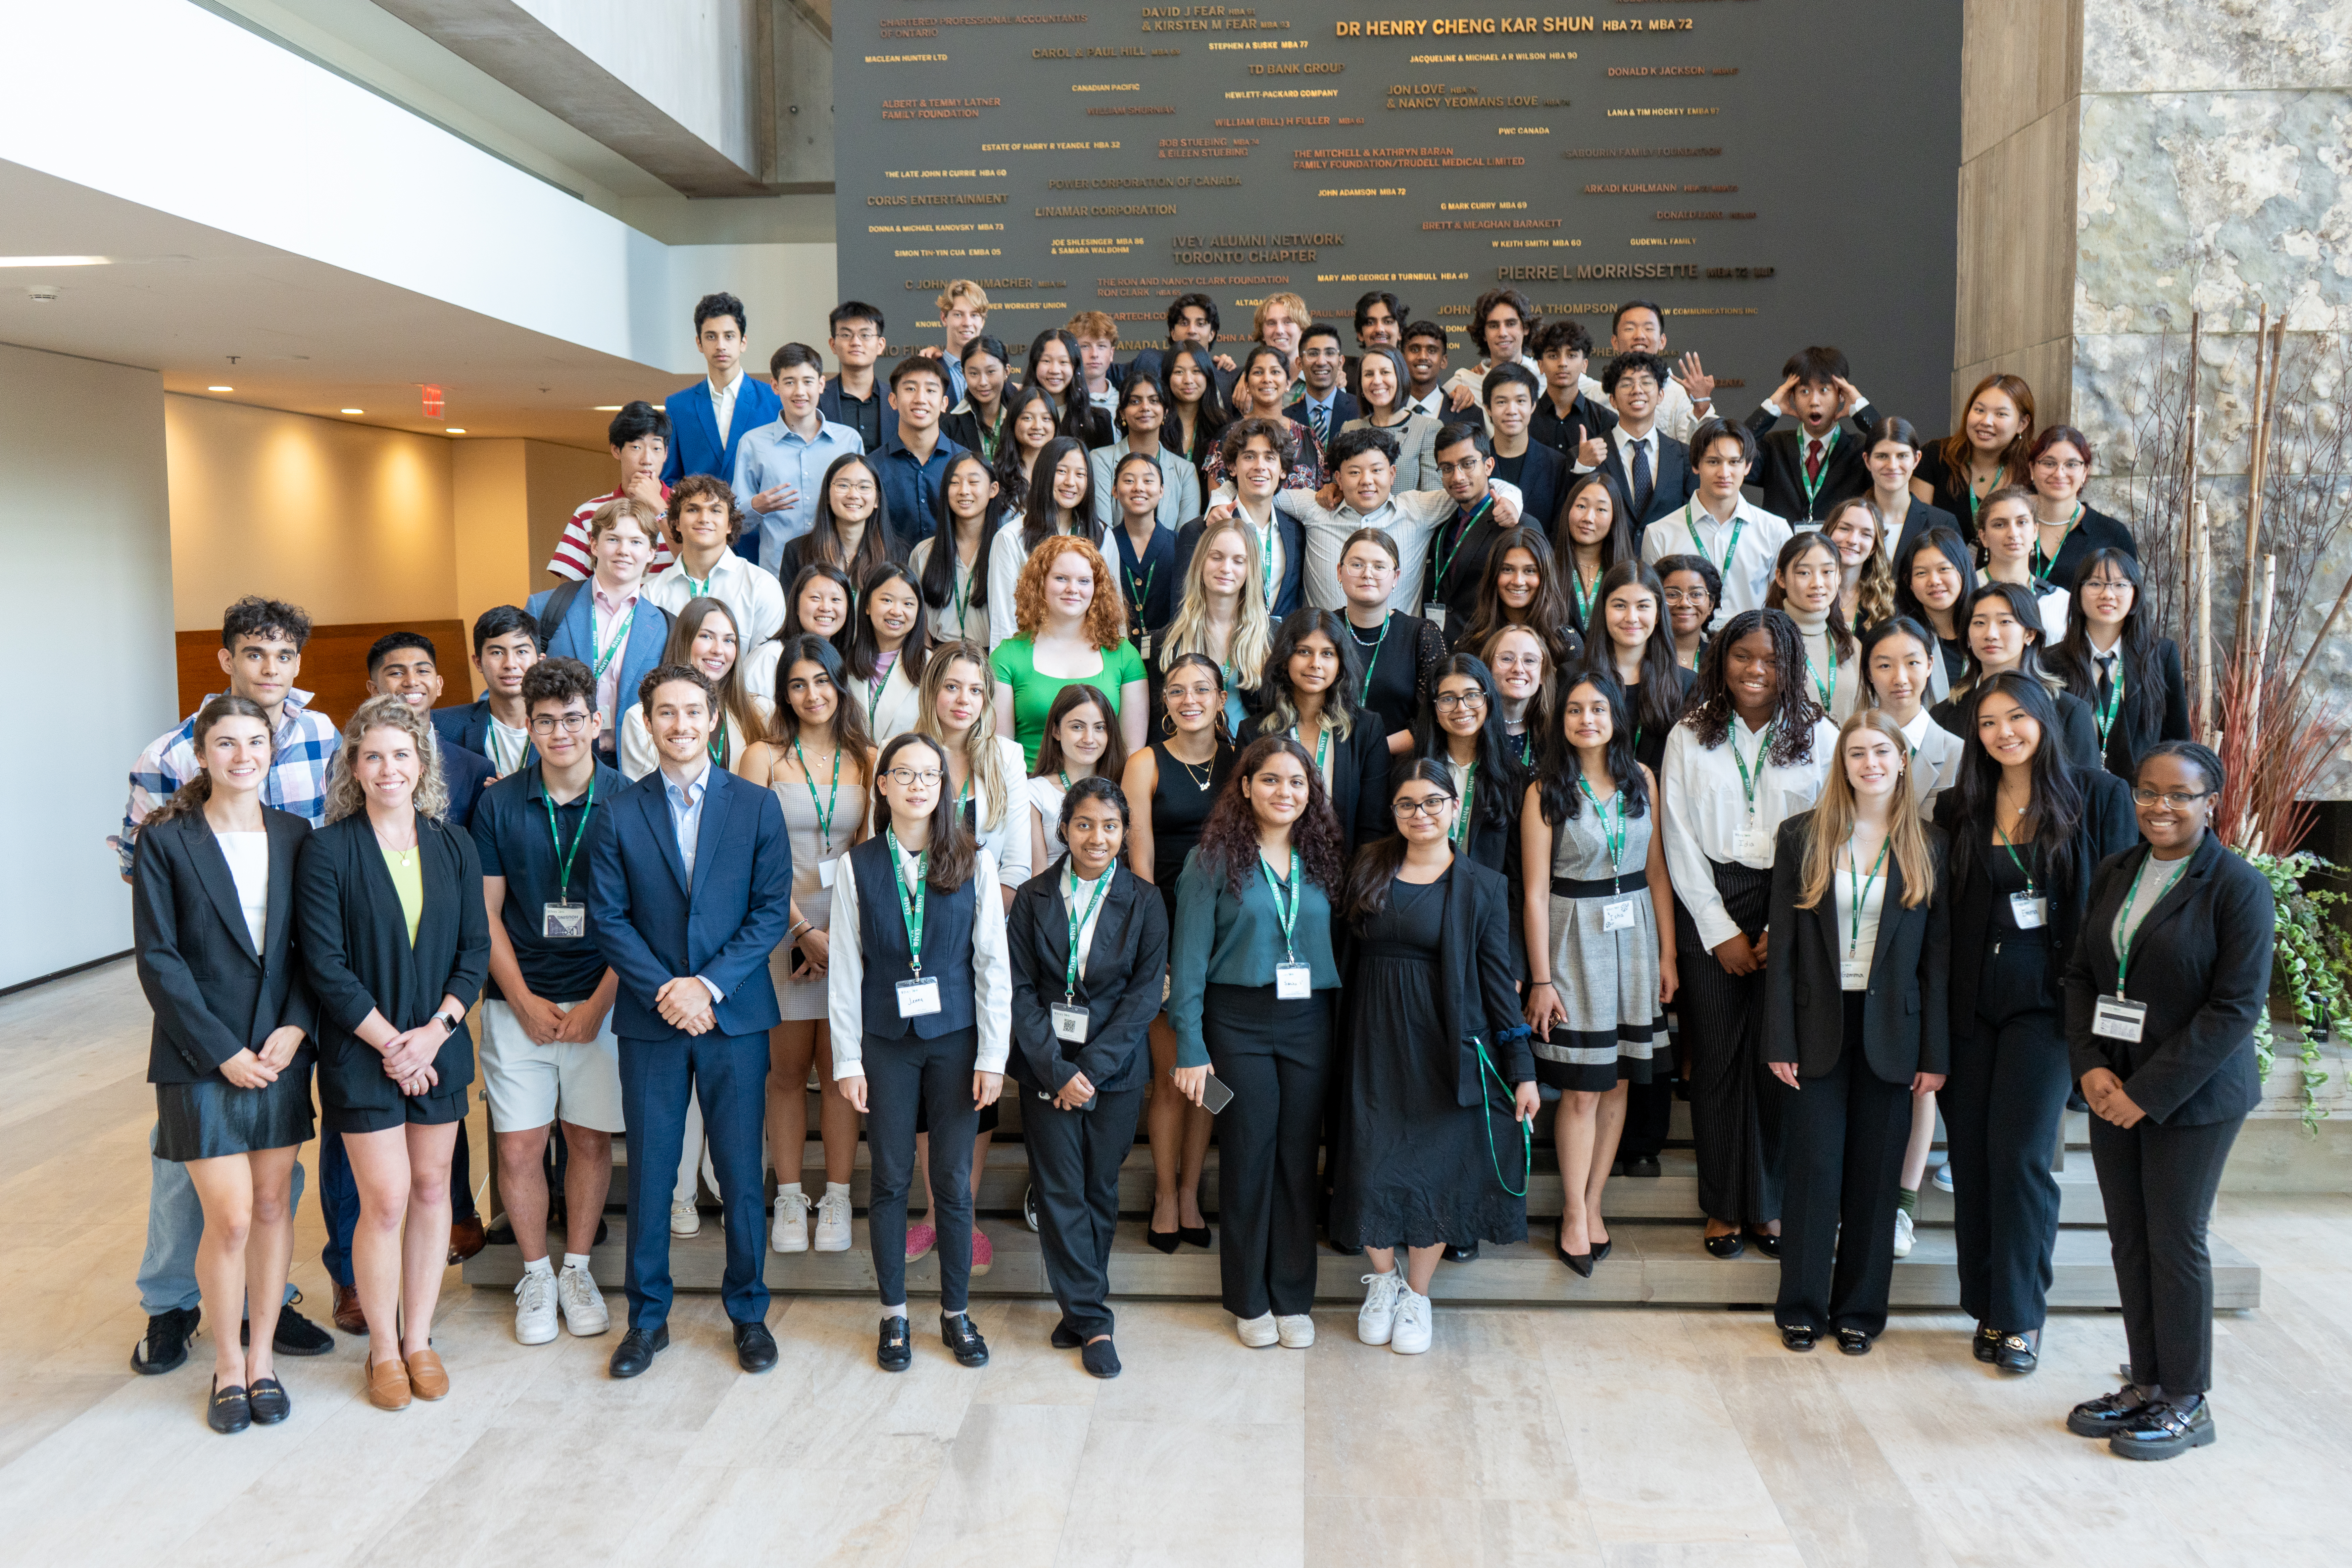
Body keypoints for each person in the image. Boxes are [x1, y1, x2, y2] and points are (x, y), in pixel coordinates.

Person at [121, 596, 342, 1362]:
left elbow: (328, 877)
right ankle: (171, 1302)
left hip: (284, 1003)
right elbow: (151, 896)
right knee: (187, 1167)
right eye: (255, 654)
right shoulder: (163, 758)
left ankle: (268, 1303)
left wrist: (294, 1017)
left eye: (284, 656)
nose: (270, 669)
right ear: (226, 659)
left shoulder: (320, 735)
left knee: (274, 1188)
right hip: (204, 1005)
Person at [2063, 741, 2273, 1459]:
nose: (2161, 805)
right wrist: (2091, 1067)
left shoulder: (2236, 885)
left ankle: (2187, 1399)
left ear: (2210, 801)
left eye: (2179, 795)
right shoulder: (2116, 870)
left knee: (2175, 1240)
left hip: (2193, 1096)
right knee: (2130, 1236)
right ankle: (2146, 1380)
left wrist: (2147, 1095)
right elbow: (2083, 974)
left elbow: (2234, 1008)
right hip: (2111, 1084)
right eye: (2149, 792)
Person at [589, 663, 795, 1381]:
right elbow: (608, 918)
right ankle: (646, 1320)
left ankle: (749, 1311)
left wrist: (706, 986)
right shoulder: (617, 809)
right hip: (652, 1021)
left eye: (692, 711)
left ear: (715, 719)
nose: (679, 725)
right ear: (647, 724)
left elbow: (771, 910)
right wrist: (665, 989)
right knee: (650, 1173)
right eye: (664, 713)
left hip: (733, 1017)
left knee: (741, 1172)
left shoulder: (756, 806)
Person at [1933, 672, 2137, 1373]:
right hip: (1971, 1002)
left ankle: (2020, 1317)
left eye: (2016, 717)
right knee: (1973, 1157)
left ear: (2045, 718)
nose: (2003, 733)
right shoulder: (1959, 806)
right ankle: (1986, 1302)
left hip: (2049, 1004)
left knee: (2020, 1156)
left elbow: (2115, 914)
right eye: (1988, 722)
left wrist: (2109, 1029)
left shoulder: (2098, 795)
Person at [294, 695, 490, 1410]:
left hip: (438, 1047)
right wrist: (391, 1044)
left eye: (401, 754)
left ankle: (420, 1338)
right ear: (354, 765)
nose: (388, 768)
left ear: (422, 764)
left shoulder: (454, 845)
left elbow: (474, 950)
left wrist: (435, 1030)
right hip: (361, 1054)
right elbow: (325, 963)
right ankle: (382, 1348)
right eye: (373, 755)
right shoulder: (327, 849)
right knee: (384, 1200)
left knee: (435, 1189)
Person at [133, 696, 318, 1433]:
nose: (243, 755)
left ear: (272, 750)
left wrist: (298, 1026)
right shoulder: (167, 838)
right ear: (201, 753)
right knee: (233, 1215)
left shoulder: (299, 834)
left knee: (275, 1206)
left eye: (255, 741)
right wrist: (222, 1051)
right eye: (226, 742)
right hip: (197, 1055)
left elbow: (316, 948)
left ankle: (263, 1356)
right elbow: (159, 959)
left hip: (278, 1050)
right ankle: (226, 1366)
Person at [1337, 762, 1540, 1352]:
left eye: (1431, 802)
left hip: (1442, 1047)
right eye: (1406, 804)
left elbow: (1500, 983)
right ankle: (1383, 1280)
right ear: (1393, 813)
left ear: (1455, 807)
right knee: (1368, 1161)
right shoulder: (1368, 864)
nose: (1419, 813)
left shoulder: (1479, 884)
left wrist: (1521, 1068)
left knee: (1433, 1173)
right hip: (1370, 1040)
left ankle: (1418, 1296)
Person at [1765, 709, 1950, 1353]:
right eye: (1856, 754)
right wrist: (1778, 1038)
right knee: (1813, 1170)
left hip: (1892, 1033)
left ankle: (1859, 1312)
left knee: (1874, 1177)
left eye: (1881, 752)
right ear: (1840, 765)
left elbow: (1936, 963)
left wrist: (1934, 1052)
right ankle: (1800, 1306)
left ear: (1902, 761)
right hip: (1817, 1023)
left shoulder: (1927, 845)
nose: (1869, 763)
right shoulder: (1801, 837)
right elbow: (1783, 951)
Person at [829, 732, 1013, 1371]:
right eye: (902, 773)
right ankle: (894, 1315)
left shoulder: (974, 859)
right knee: (888, 1178)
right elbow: (845, 969)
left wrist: (994, 1055)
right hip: (884, 1043)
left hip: (957, 1043)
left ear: (944, 786)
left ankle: (956, 1313)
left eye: (928, 774)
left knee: (953, 1184)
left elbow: (992, 962)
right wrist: (847, 1060)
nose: (915, 784)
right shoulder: (858, 867)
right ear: (882, 786)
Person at [1660, 608, 1839, 1256]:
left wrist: (1779, 926)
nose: (1755, 669)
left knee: (1776, 1065)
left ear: (1791, 664)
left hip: (1791, 902)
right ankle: (1722, 1205)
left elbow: (1828, 834)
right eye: (1742, 656)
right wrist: (1718, 930)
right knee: (1714, 1061)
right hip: (1708, 898)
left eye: (1770, 658)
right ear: (1720, 659)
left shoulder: (1819, 735)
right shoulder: (1688, 735)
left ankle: (1767, 1205)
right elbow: (1676, 837)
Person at [1168, 736, 1346, 1348]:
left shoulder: (1323, 859)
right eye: (1270, 780)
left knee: (1298, 1156)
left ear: (1310, 792)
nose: (1284, 793)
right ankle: (1248, 1298)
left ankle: (1292, 1295)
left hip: (1309, 1021)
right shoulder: (1209, 862)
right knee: (1247, 1150)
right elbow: (1187, 963)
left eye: (1296, 783)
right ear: (1244, 786)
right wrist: (1190, 1046)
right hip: (1233, 1023)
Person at [470, 658, 624, 1346]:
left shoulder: (628, 799)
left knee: (590, 1138)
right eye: (545, 720)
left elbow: (645, 918)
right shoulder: (499, 804)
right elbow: (487, 915)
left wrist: (597, 1001)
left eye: (572, 718)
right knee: (523, 1141)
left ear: (597, 721)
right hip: (518, 999)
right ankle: (535, 1272)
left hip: (605, 997)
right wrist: (523, 998)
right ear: (527, 727)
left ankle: (577, 1267)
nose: (560, 731)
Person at [1007, 776, 1169, 1377]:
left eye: (1109, 825)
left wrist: (1090, 1072)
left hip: (1116, 1072)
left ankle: (1077, 1304)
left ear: (1124, 833)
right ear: (1064, 830)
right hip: (1045, 1066)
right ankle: (1094, 1320)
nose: (1096, 836)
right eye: (1083, 824)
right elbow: (1020, 990)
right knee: (1058, 1191)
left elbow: (1143, 996)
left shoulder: (1145, 901)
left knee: (1099, 1189)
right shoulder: (1031, 898)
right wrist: (1056, 1070)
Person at [1523, 672, 1676, 1271]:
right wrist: (1541, 978)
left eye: (1597, 708)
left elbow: (1657, 870)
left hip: (1634, 932)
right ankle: (1569, 1211)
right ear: (1559, 720)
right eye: (1573, 710)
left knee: (1617, 1083)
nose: (1586, 719)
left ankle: (1593, 1202)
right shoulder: (1543, 788)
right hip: (1572, 934)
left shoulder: (1642, 778)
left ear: (1616, 715)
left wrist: (1666, 954)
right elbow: (1534, 893)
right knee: (1584, 1087)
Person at [736, 634, 876, 1257]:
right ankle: (790, 1195)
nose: (811, 694)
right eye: (798, 683)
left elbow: (874, 856)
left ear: (840, 685)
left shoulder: (869, 758)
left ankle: (838, 1195)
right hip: (779, 927)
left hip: (851, 932)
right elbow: (751, 858)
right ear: (784, 693)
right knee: (786, 1072)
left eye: (822, 680)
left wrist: (838, 936)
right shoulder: (762, 757)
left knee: (841, 1068)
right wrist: (800, 931)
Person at [1122, 654, 1237, 1251]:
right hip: (1166, 928)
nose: (1187, 698)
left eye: (1201, 689)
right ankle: (1165, 1195)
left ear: (1222, 698)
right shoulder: (1144, 763)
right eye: (1175, 690)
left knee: (1208, 1074)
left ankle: (1193, 1191)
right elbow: (1138, 864)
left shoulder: (1243, 762)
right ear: (1163, 701)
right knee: (1172, 1077)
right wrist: (1157, 950)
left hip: (1231, 934)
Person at [1250, 426, 1524, 620]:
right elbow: (1257, 489)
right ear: (1338, 478)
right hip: (1326, 646)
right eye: (1354, 472)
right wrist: (1218, 506)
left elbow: (1474, 486)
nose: (1367, 481)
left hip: (1397, 648)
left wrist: (1511, 500)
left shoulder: (1418, 509)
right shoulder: (1315, 506)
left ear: (1393, 474)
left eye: (1377, 471)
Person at [526, 497, 674, 761]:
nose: (624, 551)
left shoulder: (665, 626)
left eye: (636, 542)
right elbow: (511, 687)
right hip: (557, 757)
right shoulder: (545, 608)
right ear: (594, 545)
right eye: (613, 539)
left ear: (652, 552)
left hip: (631, 765)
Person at [990, 537, 1150, 768]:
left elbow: (1132, 753)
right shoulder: (1007, 656)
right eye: (1061, 578)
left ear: (1097, 589)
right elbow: (1000, 753)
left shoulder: (1124, 655)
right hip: (1028, 794)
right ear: (1040, 583)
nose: (1072, 589)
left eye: (1084, 581)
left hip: (1101, 794)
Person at [1244, 608, 1395, 853]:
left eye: (1328, 654)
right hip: (1273, 873)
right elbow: (1246, 820)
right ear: (1285, 660)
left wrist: (1356, 886)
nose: (1315, 664)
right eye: (1304, 652)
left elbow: (1374, 827)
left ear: (1340, 664)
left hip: (1346, 874)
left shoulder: (1367, 730)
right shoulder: (1253, 732)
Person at [2049, 549, 2189, 781]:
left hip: (2142, 800)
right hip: (2073, 797)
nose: (2108, 594)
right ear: (2079, 593)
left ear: (2135, 593)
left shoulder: (2162, 655)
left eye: (2120, 585)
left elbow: (2178, 739)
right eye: (2096, 584)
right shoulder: (2051, 662)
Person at [1639, 418, 1792, 631]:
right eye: (1713, 462)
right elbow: (1654, 608)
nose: (1724, 473)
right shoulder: (1660, 533)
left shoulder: (1775, 530)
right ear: (1696, 465)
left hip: (1754, 653)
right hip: (1684, 653)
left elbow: (1784, 603)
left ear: (1747, 466)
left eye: (1734, 462)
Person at [1930, 583, 2102, 769]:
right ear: (1968, 638)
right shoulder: (1943, 716)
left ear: (2030, 633)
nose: (1991, 634)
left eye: (2005, 622)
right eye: (1979, 623)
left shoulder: (2069, 711)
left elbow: (2086, 790)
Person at [731, 343, 867, 576]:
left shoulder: (849, 441)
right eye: (790, 382)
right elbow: (734, 524)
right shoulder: (752, 443)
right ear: (775, 386)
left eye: (808, 381)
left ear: (821, 385)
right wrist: (757, 507)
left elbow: (866, 505)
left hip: (839, 574)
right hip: (777, 576)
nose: (800, 392)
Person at [618, 597, 768, 780]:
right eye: (706, 637)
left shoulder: (763, 711)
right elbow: (645, 800)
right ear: (684, 640)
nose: (719, 650)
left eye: (729, 640)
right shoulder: (639, 720)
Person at [1178, 417, 1311, 620]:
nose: (1260, 466)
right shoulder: (1200, 530)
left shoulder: (1297, 533)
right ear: (1232, 467)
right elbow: (1181, 611)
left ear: (1283, 470)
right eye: (1250, 457)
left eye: (1270, 458)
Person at [361, 632, 496, 829]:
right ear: (374, 690)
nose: (412, 681)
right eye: (397, 673)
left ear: (439, 685)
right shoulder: (349, 763)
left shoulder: (476, 769)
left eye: (423, 671)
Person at [648, 476, 786, 657]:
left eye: (716, 510)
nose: (704, 519)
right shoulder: (652, 594)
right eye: (693, 509)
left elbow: (765, 667)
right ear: (676, 523)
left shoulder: (763, 587)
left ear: (730, 525)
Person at [1159, 516, 1274, 734]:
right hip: (1190, 760)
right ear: (1201, 562)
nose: (1226, 568)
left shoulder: (1272, 639)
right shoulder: (1168, 641)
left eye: (1239, 561)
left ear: (1251, 570)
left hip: (1251, 762)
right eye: (1217, 557)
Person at [1581, 558, 1695, 776]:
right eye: (1620, 605)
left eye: (1643, 606)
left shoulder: (1687, 684)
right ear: (1603, 610)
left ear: (1659, 614)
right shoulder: (1574, 677)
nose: (1631, 618)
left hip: (1659, 804)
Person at [1415, 653, 1525, 877]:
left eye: (1472, 695)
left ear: (1489, 700)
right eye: (1447, 699)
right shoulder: (1412, 772)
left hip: (1486, 907)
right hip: (1424, 900)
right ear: (1434, 709)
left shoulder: (1514, 777)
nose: (1462, 708)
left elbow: (1516, 871)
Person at [1742, 348, 1879, 525]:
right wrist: (1770, 409)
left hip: (1840, 551)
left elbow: (1893, 450)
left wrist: (1861, 408)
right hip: (1782, 551)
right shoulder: (1773, 446)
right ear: (1792, 396)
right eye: (1805, 392)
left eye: (1824, 390)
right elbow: (1732, 454)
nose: (1814, 401)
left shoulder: (1861, 451)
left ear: (1841, 395)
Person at [987, 435, 1102, 646]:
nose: (1070, 482)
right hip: (1031, 656)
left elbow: (1108, 608)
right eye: (1061, 471)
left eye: (1080, 474)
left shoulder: (1101, 534)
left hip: (1087, 654)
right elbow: (1004, 620)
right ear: (1044, 474)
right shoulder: (1011, 538)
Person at [659, 292, 781, 490]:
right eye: (711, 337)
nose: (721, 346)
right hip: (701, 518)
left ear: (743, 343)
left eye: (729, 336)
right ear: (699, 343)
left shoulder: (774, 400)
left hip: (762, 518)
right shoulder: (678, 406)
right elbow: (671, 479)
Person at [1337, 526, 1447, 743]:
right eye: (1357, 565)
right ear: (1340, 572)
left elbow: (1432, 719)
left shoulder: (1422, 635)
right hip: (1327, 761)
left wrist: (1373, 751)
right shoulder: (1321, 630)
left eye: (1379, 567)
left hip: (1399, 767)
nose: (1367, 574)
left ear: (1396, 577)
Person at [547, 403, 677, 581]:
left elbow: (700, 567)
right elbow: (570, 592)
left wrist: (657, 505)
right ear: (617, 450)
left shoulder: (690, 509)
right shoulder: (588, 514)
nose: (647, 460)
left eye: (656, 449)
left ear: (666, 454)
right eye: (636, 448)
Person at [1577, 350, 1698, 529]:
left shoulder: (1684, 457)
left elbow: (1691, 522)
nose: (1637, 391)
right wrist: (1583, 467)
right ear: (1613, 400)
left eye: (1647, 383)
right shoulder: (1588, 456)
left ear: (1660, 396)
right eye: (1626, 385)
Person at [1421, 423, 1518, 643]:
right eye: (1447, 468)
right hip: (1440, 649)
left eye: (1467, 464)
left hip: (1491, 650)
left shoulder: (1513, 524)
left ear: (1489, 465)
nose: (1457, 477)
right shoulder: (1438, 523)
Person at [1568, 299, 1715, 443]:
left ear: (1662, 341)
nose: (1639, 336)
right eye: (1630, 329)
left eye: (1649, 329)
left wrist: (1702, 404)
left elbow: (1695, 452)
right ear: (1615, 342)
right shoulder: (1596, 394)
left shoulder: (1678, 394)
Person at [1860, 617, 1966, 813]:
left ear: (1929, 665)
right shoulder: (1850, 746)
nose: (1900, 679)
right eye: (1885, 666)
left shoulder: (1957, 753)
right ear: (1868, 673)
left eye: (1913, 663)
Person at [1914, 373, 2036, 538]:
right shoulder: (1936, 456)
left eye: (2001, 414)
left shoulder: (2034, 468)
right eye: (1979, 410)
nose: (1986, 421)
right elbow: (1917, 531)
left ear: (2022, 424)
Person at [1026, 681, 1128, 874]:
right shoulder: (1034, 793)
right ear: (1056, 731)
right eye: (1077, 727)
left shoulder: (1124, 787)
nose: (1089, 738)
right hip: (1053, 898)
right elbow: (1036, 876)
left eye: (1100, 728)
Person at [1457, 523, 1583, 674]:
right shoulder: (1472, 643)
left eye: (1530, 571)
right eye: (1507, 569)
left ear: (1545, 578)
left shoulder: (1565, 642)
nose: (1518, 581)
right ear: (1493, 575)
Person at [1763, 531, 1861, 723]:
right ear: (1781, 578)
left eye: (1827, 572)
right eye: (1804, 573)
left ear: (1839, 577)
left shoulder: (1851, 645)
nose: (1817, 584)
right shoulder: (1764, 641)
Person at [432, 605, 541, 776]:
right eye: (497, 653)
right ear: (478, 663)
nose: (510, 664)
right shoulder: (442, 727)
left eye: (521, 651)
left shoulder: (563, 726)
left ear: (540, 661)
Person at [875, 357, 968, 556]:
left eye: (931, 390)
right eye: (910, 389)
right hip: (892, 580)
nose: (920, 399)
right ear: (893, 400)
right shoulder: (873, 468)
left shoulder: (966, 464)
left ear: (944, 403)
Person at [909, 450, 1003, 647]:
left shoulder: (1005, 550)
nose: (964, 491)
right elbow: (919, 619)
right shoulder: (923, 552)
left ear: (993, 489)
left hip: (994, 659)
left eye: (974, 482)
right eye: (955, 483)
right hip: (938, 657)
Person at [2025, 425, 2138, 589]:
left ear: (2085, 472)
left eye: (2071, 465)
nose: (2059, 474)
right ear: (2032, 469)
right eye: (2049, 464)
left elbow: (2128, 602)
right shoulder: (2010, 525)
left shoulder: (2112, 535)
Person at [1089, 372, 1200, 534]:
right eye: (1135, 401)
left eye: (1154, 401)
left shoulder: (1185, 471)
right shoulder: (1100, 460)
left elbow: (1186, 539)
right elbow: (1102, 532)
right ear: (1122, 413)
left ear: (1166, 412)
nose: (1145, 408)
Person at [778, 452, 896, 603]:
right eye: (843, 485)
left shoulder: (897, 553)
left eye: (864, 487)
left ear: (877, 500)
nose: (853, 494)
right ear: (827, 495)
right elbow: (791, 616)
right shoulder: (797, 551)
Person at [1203, 346, 1323, 492]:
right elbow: (1218, 505)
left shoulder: (1309, 438)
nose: (1267, 379)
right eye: (1258, 372)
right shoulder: (1227, 437)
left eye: (1275, 372)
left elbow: (1325, 499)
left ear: (1288, 383)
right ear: (1247, 384)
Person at [1103, 452, 1178, 658]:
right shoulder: (1103, 544)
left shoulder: (1179, 544)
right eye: (1129, 481)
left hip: (1168, 657)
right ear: (1115, 491)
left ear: (1161, 490)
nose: (1138, 488)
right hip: (1115, 655)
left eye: (1148, 481)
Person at [1342, 345, 1440, 493]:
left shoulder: (1428, 429)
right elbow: (1341, 491)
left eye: (1385, 372)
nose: (1377, 381)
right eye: (1368, 374)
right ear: (1361, 386)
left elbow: (1434, 497)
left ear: (1400, 378)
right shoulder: (1349, 430)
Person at [1553, 472, 1638, 643]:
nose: (1588, 519)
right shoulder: (1548, 567)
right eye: (1582, 507)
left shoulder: (1632, 575)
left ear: (1615, 517)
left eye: (1601, 510)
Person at [1482, 363, 1568, 533]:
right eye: (1501, 402)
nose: (1512, 411)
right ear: (1488, 409)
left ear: (1533, 406)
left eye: (1521, 401)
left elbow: (1559, 532)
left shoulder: (1556, 465)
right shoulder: (1476, 463)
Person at [1894, 525, 1975, 701]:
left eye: (1944, 569)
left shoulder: (1987, 632)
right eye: (1921, 573)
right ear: (1910, 582)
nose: (1935, 581)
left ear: (1963, 570)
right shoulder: (1902, 641)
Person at [1870, 416, 1963, 569]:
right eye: (1882, 456)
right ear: (1867, 460)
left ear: (1916, 460)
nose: (1893, 466)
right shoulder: (1849, 520)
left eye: (1902, 456)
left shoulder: (1943, 523)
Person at [1979, 485, 2072, 638]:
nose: (2013, 534)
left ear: (2036, 531)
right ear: (1983, 537)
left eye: (2022, 522)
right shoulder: (1965, 590)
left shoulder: (2061, 602)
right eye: (2000, 525)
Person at [1439, 286, 1538, 413]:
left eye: (1511, 324)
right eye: (1494, 326)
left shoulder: (1546, 378)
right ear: (1484, 335)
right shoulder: (1464, 382)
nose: (1503, 333)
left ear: (1526, 329)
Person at [1529, 318, 1618, 460]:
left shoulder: (1606, 421)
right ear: (1541, 365)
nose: (1563, 363)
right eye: (1553, 356)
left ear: (1585, 365)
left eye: (1572, 356)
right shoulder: (1526, 419)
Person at [1128, 292, 1240, 397]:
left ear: (1212, 335)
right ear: (1173, 333)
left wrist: (1244, 376)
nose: (1192, 331)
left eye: (1200, 324)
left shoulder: (1224, 375)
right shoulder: (1150, 362)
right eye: (1184, 323)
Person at [820, 301, 896, 451]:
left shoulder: (897, 400)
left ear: (880, 345)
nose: (856, 342)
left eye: (865, 335)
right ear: (833, 345)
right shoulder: (818, 398)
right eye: (846, 335)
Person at [1022, 327, 1115, 450]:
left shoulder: (1098, 421)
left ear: (1075, 367)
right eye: (1046, 361)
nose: (1055, 370)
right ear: (1035, 365)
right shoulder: (1018, 414)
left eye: (1064, 362)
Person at [1480, 623, 1554, 767]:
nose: (1519, 669)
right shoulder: (1470, 729)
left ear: (1543, 675)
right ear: (1488, 668)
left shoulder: (1554, 736)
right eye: (1507, 659)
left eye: (1530, 661)